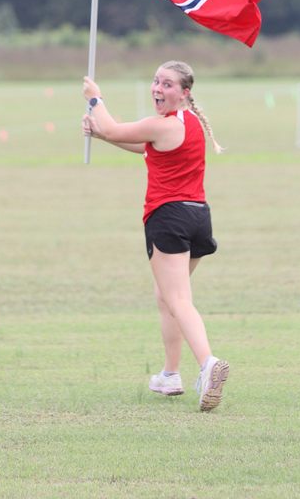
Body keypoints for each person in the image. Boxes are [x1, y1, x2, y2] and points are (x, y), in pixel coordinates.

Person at [82, 60, 229, 412]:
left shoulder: (164, 124)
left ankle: (208, 364)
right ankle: (170, 374)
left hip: (169, 217)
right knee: (166, 297)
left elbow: (117, 130)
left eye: (167, 84)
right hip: (197, 217)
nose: (157, 89)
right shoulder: (186, 124)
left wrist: (94, 99)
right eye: (155, 82)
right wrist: (101, 134)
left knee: (178, 299)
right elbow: (138, 144)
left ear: (184, 93)